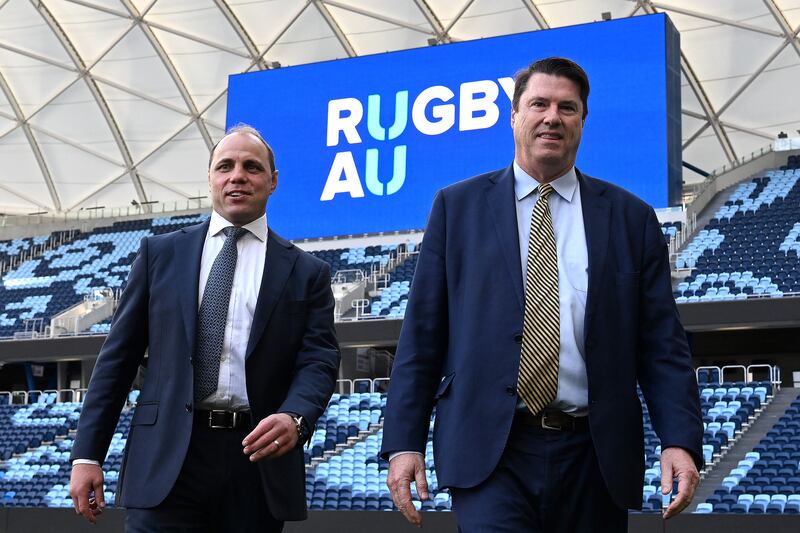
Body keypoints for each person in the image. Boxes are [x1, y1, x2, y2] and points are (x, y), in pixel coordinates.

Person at [380, 57, 703, 532]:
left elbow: (662, 345)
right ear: (514, 116)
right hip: (492, 453)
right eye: (539, 104)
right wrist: (404, 442)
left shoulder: (630, 218)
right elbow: (422, 336)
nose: (552, 117)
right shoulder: (457, 208)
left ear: (582, 121)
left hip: (594, 455)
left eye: (567, 107)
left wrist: (680, 440)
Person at [69, 124, 340, 532]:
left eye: (252, 167)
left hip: (256, 461)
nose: (237, 176)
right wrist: (87, 455)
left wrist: (296, 416)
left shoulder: (307, 272)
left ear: (272, 182)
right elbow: (118, 359)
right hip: (166, 457)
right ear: (210, 177)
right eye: (225, 166)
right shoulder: (159, 255)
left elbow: (319, 360)